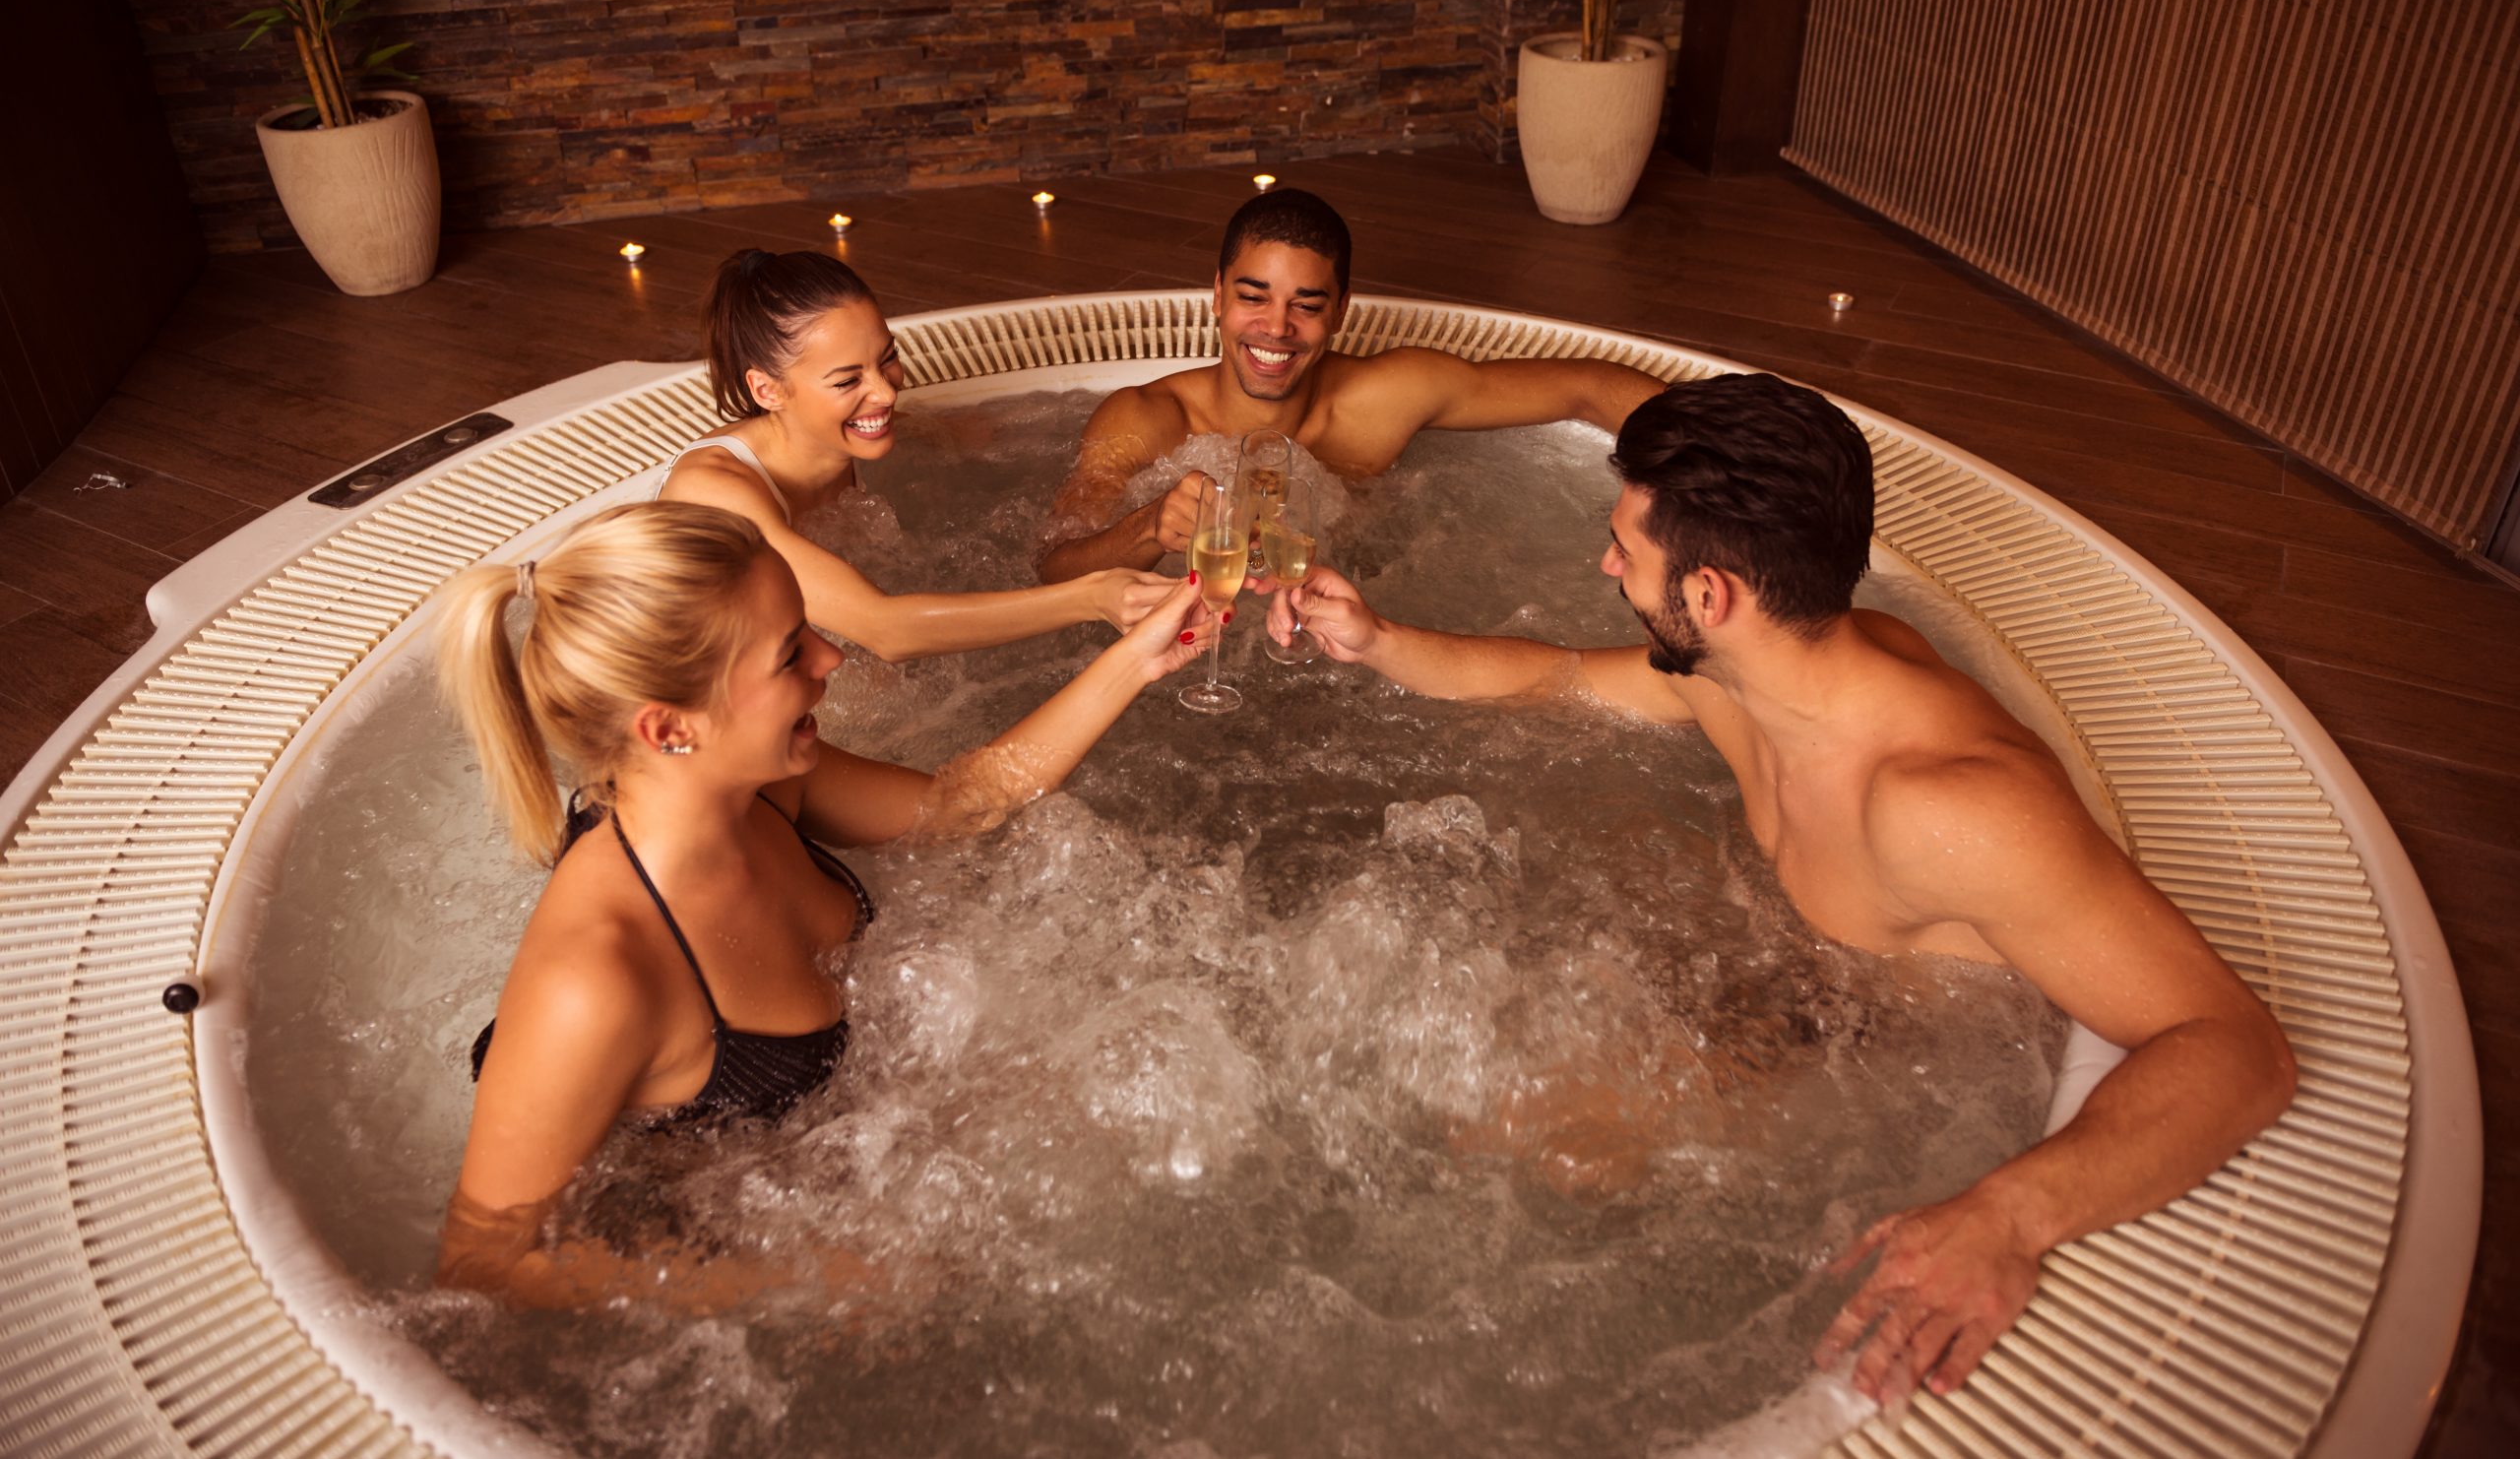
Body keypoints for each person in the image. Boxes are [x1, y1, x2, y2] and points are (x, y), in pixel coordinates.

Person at [1266, 371, 2297, 1406]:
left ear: (1710, 595)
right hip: (1784, 966)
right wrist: (1378, 640)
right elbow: (1559, 677)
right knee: (1458, 1091)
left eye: (1625, 549)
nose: (1606, 563)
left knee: (1529, 1156)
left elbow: (2237, 1046)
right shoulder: (1745, 675)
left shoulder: (1953, 807)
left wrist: (2010, 1214)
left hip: (1878, 1054)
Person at [433, 501, 1213, 1307]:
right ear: (668, 729)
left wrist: (1135, 660)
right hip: (708, 1247)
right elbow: (480, 1265)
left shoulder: (763, 783)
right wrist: (811, 1283)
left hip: (847, 1158)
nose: (831, 655)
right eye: (789, 654)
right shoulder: (597, 979)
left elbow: (958, 804)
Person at [1037, 188, 1665, 580]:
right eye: (1253, 298)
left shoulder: (1385, 398)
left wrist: (1710, 466)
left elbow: (1588, 385)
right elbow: (1054, 567)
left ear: (1340, 310)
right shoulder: (1147, 418)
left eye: (1306, 305)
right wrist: (1148, 527)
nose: (1276, 328)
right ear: (1218, 296)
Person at [659, 249, 1175, 660]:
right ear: (767, 391)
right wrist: (1090, 596)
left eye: (888, 359)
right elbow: (886, 629)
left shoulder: (843, 433)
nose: (886, 393)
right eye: (847, 381)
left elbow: (975, 436)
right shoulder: (714, 494)